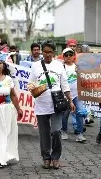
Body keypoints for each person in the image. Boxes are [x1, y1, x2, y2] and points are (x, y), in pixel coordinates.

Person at [27, 40, 75, 169]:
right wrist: (32, 88)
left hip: (57, 104)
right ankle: (46, 158)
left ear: (54, 53)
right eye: (45, 51)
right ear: (42, 51)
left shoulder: (59, 65)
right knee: (44, 132)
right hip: (41, 104)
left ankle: (56, 157)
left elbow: (65, 84)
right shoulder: (35, 65)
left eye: (50, 52)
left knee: (56, 131)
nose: (47, 54)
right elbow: (30, 83)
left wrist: (70, 100)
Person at [61, 48, 87, 143]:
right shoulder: (61, 67)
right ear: (63, 56)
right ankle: (63, 131)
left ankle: (79, 134)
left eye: (70, 55)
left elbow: (84, 79)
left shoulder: (77, 67)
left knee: (80, 113)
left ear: (73, 56)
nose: (68, 57)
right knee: (65, 115)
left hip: (77, 95)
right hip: (65, 95)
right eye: (66, 55)